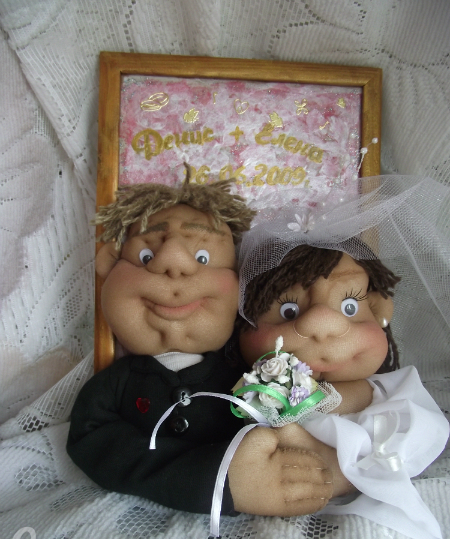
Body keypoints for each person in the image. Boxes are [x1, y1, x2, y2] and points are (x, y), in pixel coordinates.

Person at [66, 170, 335, 517]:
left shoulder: (245, 378)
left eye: (203, 258)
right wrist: (220, 481)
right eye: (146, 257)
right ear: (108, 266)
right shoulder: (115, 383)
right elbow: (91, 440)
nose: (174, 265)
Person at [234, 177, 450, 539]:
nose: (323, 325)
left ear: (380, 312)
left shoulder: (375, 387)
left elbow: (358, 398)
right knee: (271, 439)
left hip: (369, 443)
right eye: (288, 311)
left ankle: (338, 476)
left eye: (349, 306)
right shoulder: (257, 382)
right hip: (280, 458)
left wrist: (313, 399)